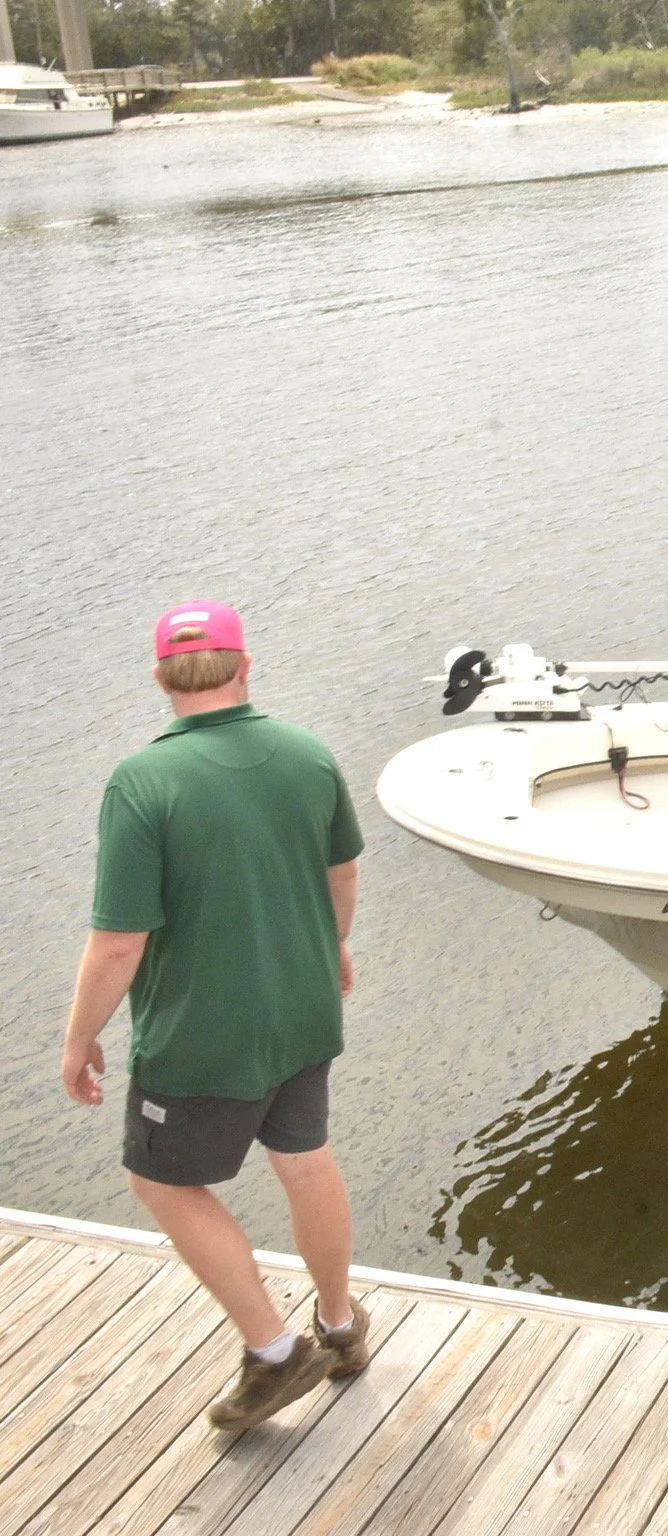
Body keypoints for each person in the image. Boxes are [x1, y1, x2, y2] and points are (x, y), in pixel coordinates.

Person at [59, 601, 372, 1433]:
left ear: (161, 677)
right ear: (245, 664)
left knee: (161, 1180)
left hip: (204, 1032)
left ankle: (276, 1354)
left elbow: (119, 943)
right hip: (302, 1009)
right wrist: (332, 948)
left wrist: (81, 1033)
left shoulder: (144, 781)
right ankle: (340, 1327)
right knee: (305, 1155)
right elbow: (342, 874)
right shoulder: (308, 754)